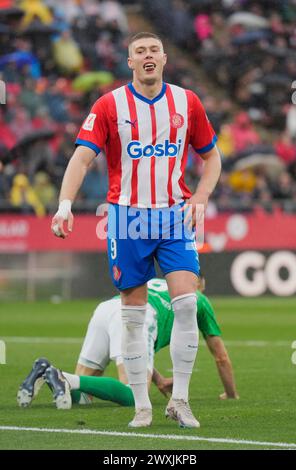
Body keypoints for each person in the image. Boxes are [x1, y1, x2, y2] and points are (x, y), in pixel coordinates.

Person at [51, 32, 221, 428]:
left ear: (164, 58)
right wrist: (64, 205)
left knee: (187, 304)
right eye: (139, 51)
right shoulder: (109, 105)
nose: (147, 56)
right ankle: (143, 404)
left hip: (174, 215)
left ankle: (179, 399)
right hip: (127, 218)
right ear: (130, 62)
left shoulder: (187, 102)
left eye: (153, 50)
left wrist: (201, 195)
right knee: (133, 315)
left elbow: (212, 157)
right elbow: (80, 159)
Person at [18, 278, 238, 418]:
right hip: (139, 316)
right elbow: (221, 356)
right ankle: (62, 376)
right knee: (135, 395)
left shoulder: (158, 282)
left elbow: (141, 350)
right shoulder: (196, 298)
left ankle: (45, 369)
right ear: (199, 283)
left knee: (83, 396)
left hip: (108, 309)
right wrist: (230, 393)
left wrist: (159, 379)